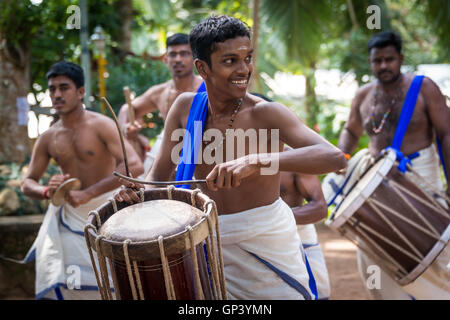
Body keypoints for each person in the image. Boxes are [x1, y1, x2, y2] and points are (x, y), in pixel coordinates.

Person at [115, 15, 346, 300]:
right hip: (202, 241)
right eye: (229, 61)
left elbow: (335, 158)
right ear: (202, 67)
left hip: (266, 247)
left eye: (247, 58)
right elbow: (158, 176)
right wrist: (140, 195)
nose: (244, 69)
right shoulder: (184, 108)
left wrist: (258, 161)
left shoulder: (266, 113)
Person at [329, 31, 450, 299]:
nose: (383, 66)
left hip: (420, 177)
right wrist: (341, 158)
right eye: (377, 60)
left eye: (389, 59)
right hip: (375, 183)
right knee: (372, 256)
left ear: (401, 59)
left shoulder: (424, 88)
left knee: (436, 251)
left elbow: (446, 134)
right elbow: (350, 130)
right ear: (370, 62)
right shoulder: (363, 95)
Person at [21, 61, 144, 300]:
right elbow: (28, 183)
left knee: (115, 285)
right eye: (52, 89)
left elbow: (134, 165)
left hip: (109, 212)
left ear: (80, 92)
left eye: (63, 88)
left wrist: (89, 193)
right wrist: (49, 191)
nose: (57, 94)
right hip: (71, 215)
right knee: (70, 284)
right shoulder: (47, 137)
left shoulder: (102, 124)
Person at [118, 33, 204, 175]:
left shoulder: (207, 87)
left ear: (194, 58)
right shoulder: (160, 92)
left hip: (202, 146)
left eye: (184, 54)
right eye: (173, 55)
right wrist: (126, 129)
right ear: (165, 59)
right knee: (144, 183)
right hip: (167, 145)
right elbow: (128, 108)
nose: (178, 59)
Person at [280, 147, 331, 300]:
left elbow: (320, 208)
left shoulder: (294, 157)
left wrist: (275, 220)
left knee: (320, 292)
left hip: (299, 231)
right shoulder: (229, 154)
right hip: (251, 233)